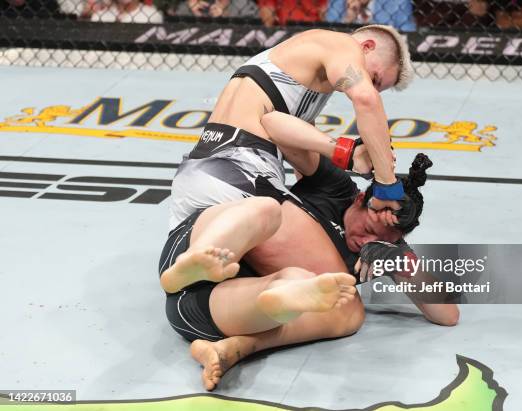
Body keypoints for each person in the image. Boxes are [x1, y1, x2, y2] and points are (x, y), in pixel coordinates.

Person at [160, 117, 458, 390]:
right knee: (263, 208)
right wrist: (345, 152)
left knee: (333, 302)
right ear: (359, 200)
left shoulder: (386, 251)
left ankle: (235, 346)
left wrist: (397, 260)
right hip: (208, 244)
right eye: (368, 229)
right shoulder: (337, 188)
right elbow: (271, 123)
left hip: (206, 312)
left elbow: (447, 313)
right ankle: (187, 267)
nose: (367, 240)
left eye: (383, 238)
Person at [167, 24, 414, 239]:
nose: (370, 86)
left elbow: (306, 168)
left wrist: (352, 156)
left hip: (193, 177)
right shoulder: (341, 45)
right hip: (243, 177)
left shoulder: (301, 73)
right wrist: (386, 186)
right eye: (375, 79)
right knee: (332, 265)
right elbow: (367, 101)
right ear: (367, 47)